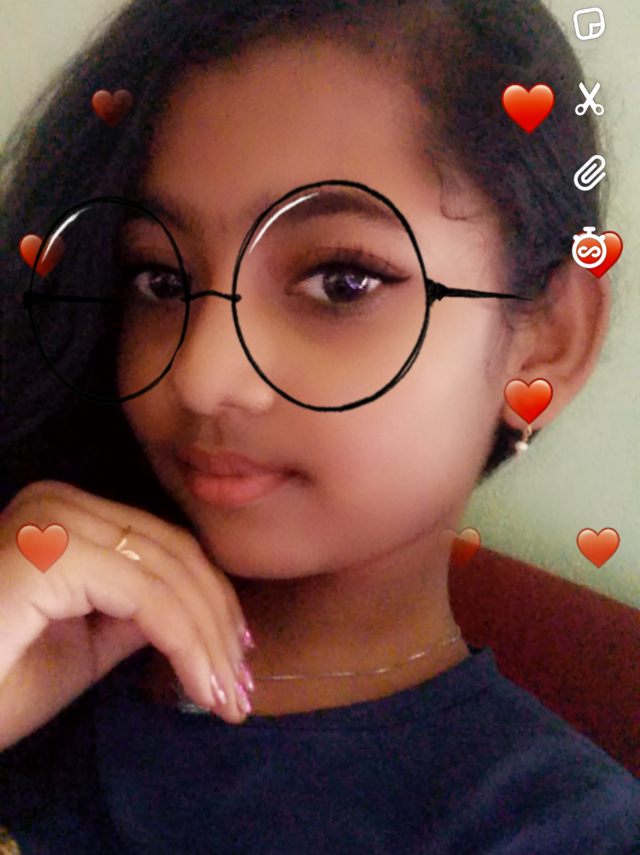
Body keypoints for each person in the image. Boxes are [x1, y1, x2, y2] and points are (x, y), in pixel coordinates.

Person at [0, 0, 638, 852]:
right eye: (161, 280)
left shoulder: (551, 829)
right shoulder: (25, 622)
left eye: (341, 281)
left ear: (547, 340)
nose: (200, 373)